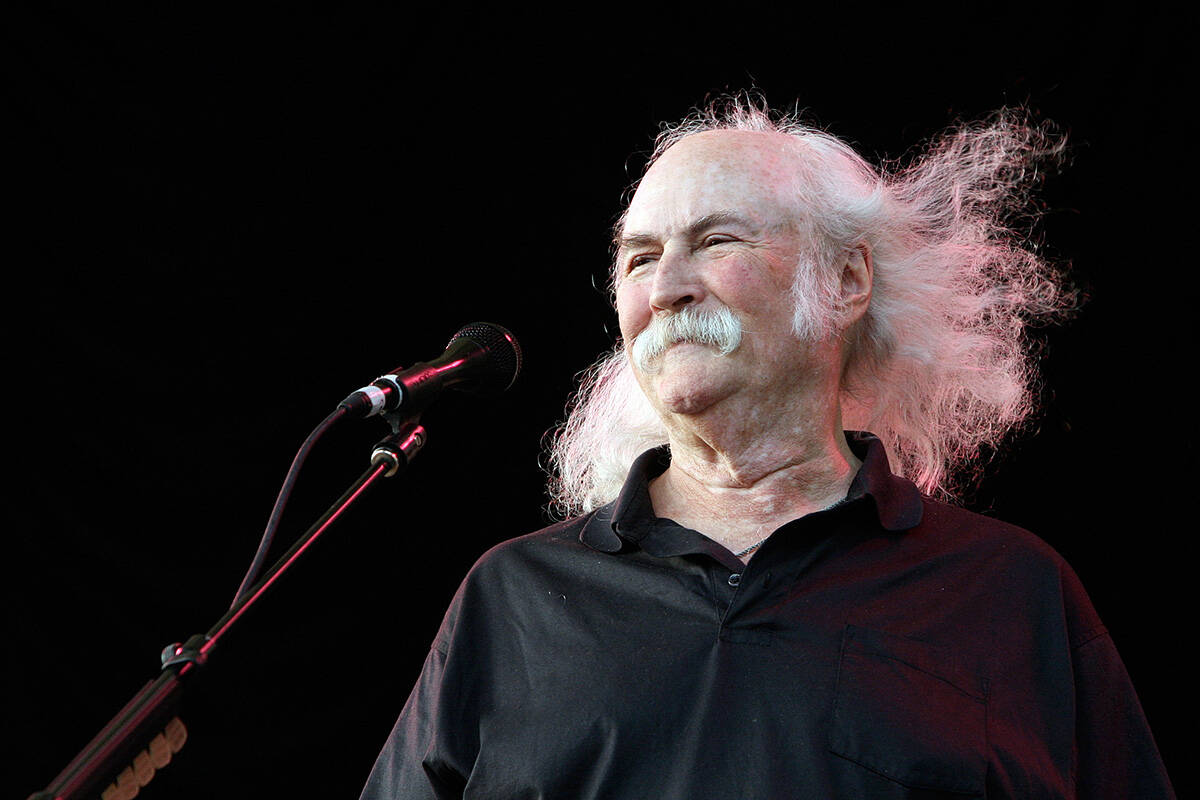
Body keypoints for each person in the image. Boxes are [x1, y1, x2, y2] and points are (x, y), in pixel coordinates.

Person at [360, 98, 1175, 799]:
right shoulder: (513, 597)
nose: (668, 286)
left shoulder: (1008, 592)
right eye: (640, 257)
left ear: (848, 281)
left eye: (717, 242)